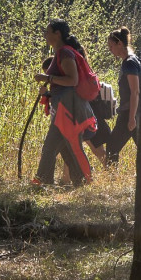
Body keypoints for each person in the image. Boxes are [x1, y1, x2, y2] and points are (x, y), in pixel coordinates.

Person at [32, 19, 97, 187]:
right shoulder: (60, 53)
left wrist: (47, 78)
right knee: (58, 147)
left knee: (68, 146)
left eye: (48, 32)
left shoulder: (65, 53)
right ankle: (73, 182)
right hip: (62, 107)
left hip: (68, 108)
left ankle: (82, 181)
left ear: (57, 34)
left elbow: (72, 80)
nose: (45, 35)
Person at [100, 26, 141, 166]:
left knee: (112, 146)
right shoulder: (132, 60)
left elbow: (135, 91)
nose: (110, 50)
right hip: (134, 111)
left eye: (111, 46)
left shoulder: (129, 63)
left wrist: (131, 118)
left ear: (120, 44)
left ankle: (111, 178)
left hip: (129, 112)